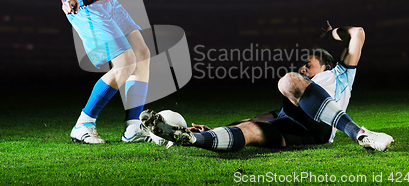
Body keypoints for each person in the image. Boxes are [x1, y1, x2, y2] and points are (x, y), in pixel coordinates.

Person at [141, 22, 395, 151]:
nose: (304, 69)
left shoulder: (341, 74)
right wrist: (216, 129)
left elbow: (358, 32)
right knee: (250, 127)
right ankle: (193, 138)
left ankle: (359, 133)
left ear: (326, 65)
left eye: (308, 64)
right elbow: (254, 120)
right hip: (294, 123)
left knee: (288, 80)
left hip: (322, 127)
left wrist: (332, 32)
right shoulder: (301, 89)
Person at [58, 0, 151, 144]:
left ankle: (133, 127)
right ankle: (84, 124)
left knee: (142, 54)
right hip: (86, 1)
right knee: (126, 62)